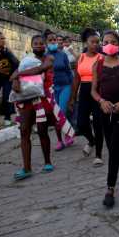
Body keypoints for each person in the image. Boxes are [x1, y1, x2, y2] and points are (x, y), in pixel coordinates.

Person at [9, 34, 73, 180]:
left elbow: (39, 70)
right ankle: (26, 168)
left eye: (40, 43)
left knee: (42, 131)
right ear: (31, 46)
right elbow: (12, 76)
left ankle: (47, 162)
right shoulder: (26, 60)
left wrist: (18, 74)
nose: (38, 45)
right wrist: (15, 81)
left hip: (42, 99)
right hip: (26, 99)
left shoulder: (49, 58)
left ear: (45, 45)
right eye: (35, 43)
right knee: (24, 131)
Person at [91, 30, 119, 208]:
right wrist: (101, 101)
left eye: (113, 41)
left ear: (118, 44)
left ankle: (110, 189)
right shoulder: (97, 65)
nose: (109, 44)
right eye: (105, 41)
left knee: (115, 147)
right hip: (104, 111)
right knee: (112, 148)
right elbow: (93, 90)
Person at [68, 28, 104, 166]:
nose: (96, 44)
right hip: (84, 91)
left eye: (97, 42)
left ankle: (99, 155)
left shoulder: (101, 58)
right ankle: (92, 141)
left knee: (97, 123)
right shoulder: (81, 57)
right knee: (81, 123)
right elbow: (76, 79)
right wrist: (72, 98)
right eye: (92, 42)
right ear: (85, 43)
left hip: (97, 91)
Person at [44, 29, 74, 150]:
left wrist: (73, 89)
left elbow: (69, 71)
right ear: (46, 42)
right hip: (51, 88)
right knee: (55, 115)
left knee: (61, 111)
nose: (53, 42)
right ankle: (59, 140)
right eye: (50, 40)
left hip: (65, 86)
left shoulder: (63, 55)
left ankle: (68, 135)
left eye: (54, 40)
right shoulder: (44, 56)